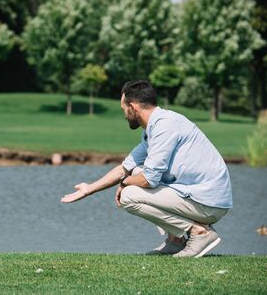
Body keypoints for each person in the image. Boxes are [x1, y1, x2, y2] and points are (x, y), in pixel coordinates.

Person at [61, 80, 232, 258]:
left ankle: (198, 232)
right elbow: (125, 168)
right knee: (135, 172)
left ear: (133, 108)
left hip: (209, 203)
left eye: (124, 110)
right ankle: (176, 240)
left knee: (129, 196)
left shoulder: (165, 127)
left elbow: (149, 180)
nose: (124, 115)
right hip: (198, 197)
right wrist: (89, 189)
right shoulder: (154, 128)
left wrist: (124, 183)